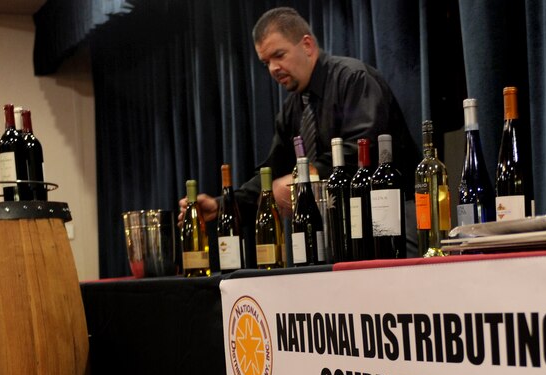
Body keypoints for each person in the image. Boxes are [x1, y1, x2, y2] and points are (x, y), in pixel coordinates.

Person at [179, 6, 418, 255]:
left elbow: (360, 149)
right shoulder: (292, 108)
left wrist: (304, 177)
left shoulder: (353, 78)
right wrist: (223, 205)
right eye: (266, 63)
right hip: (339, 228)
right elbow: (271, 174)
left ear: (307, 45)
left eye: (279, 55)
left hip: (392, 216)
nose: (273, 68)